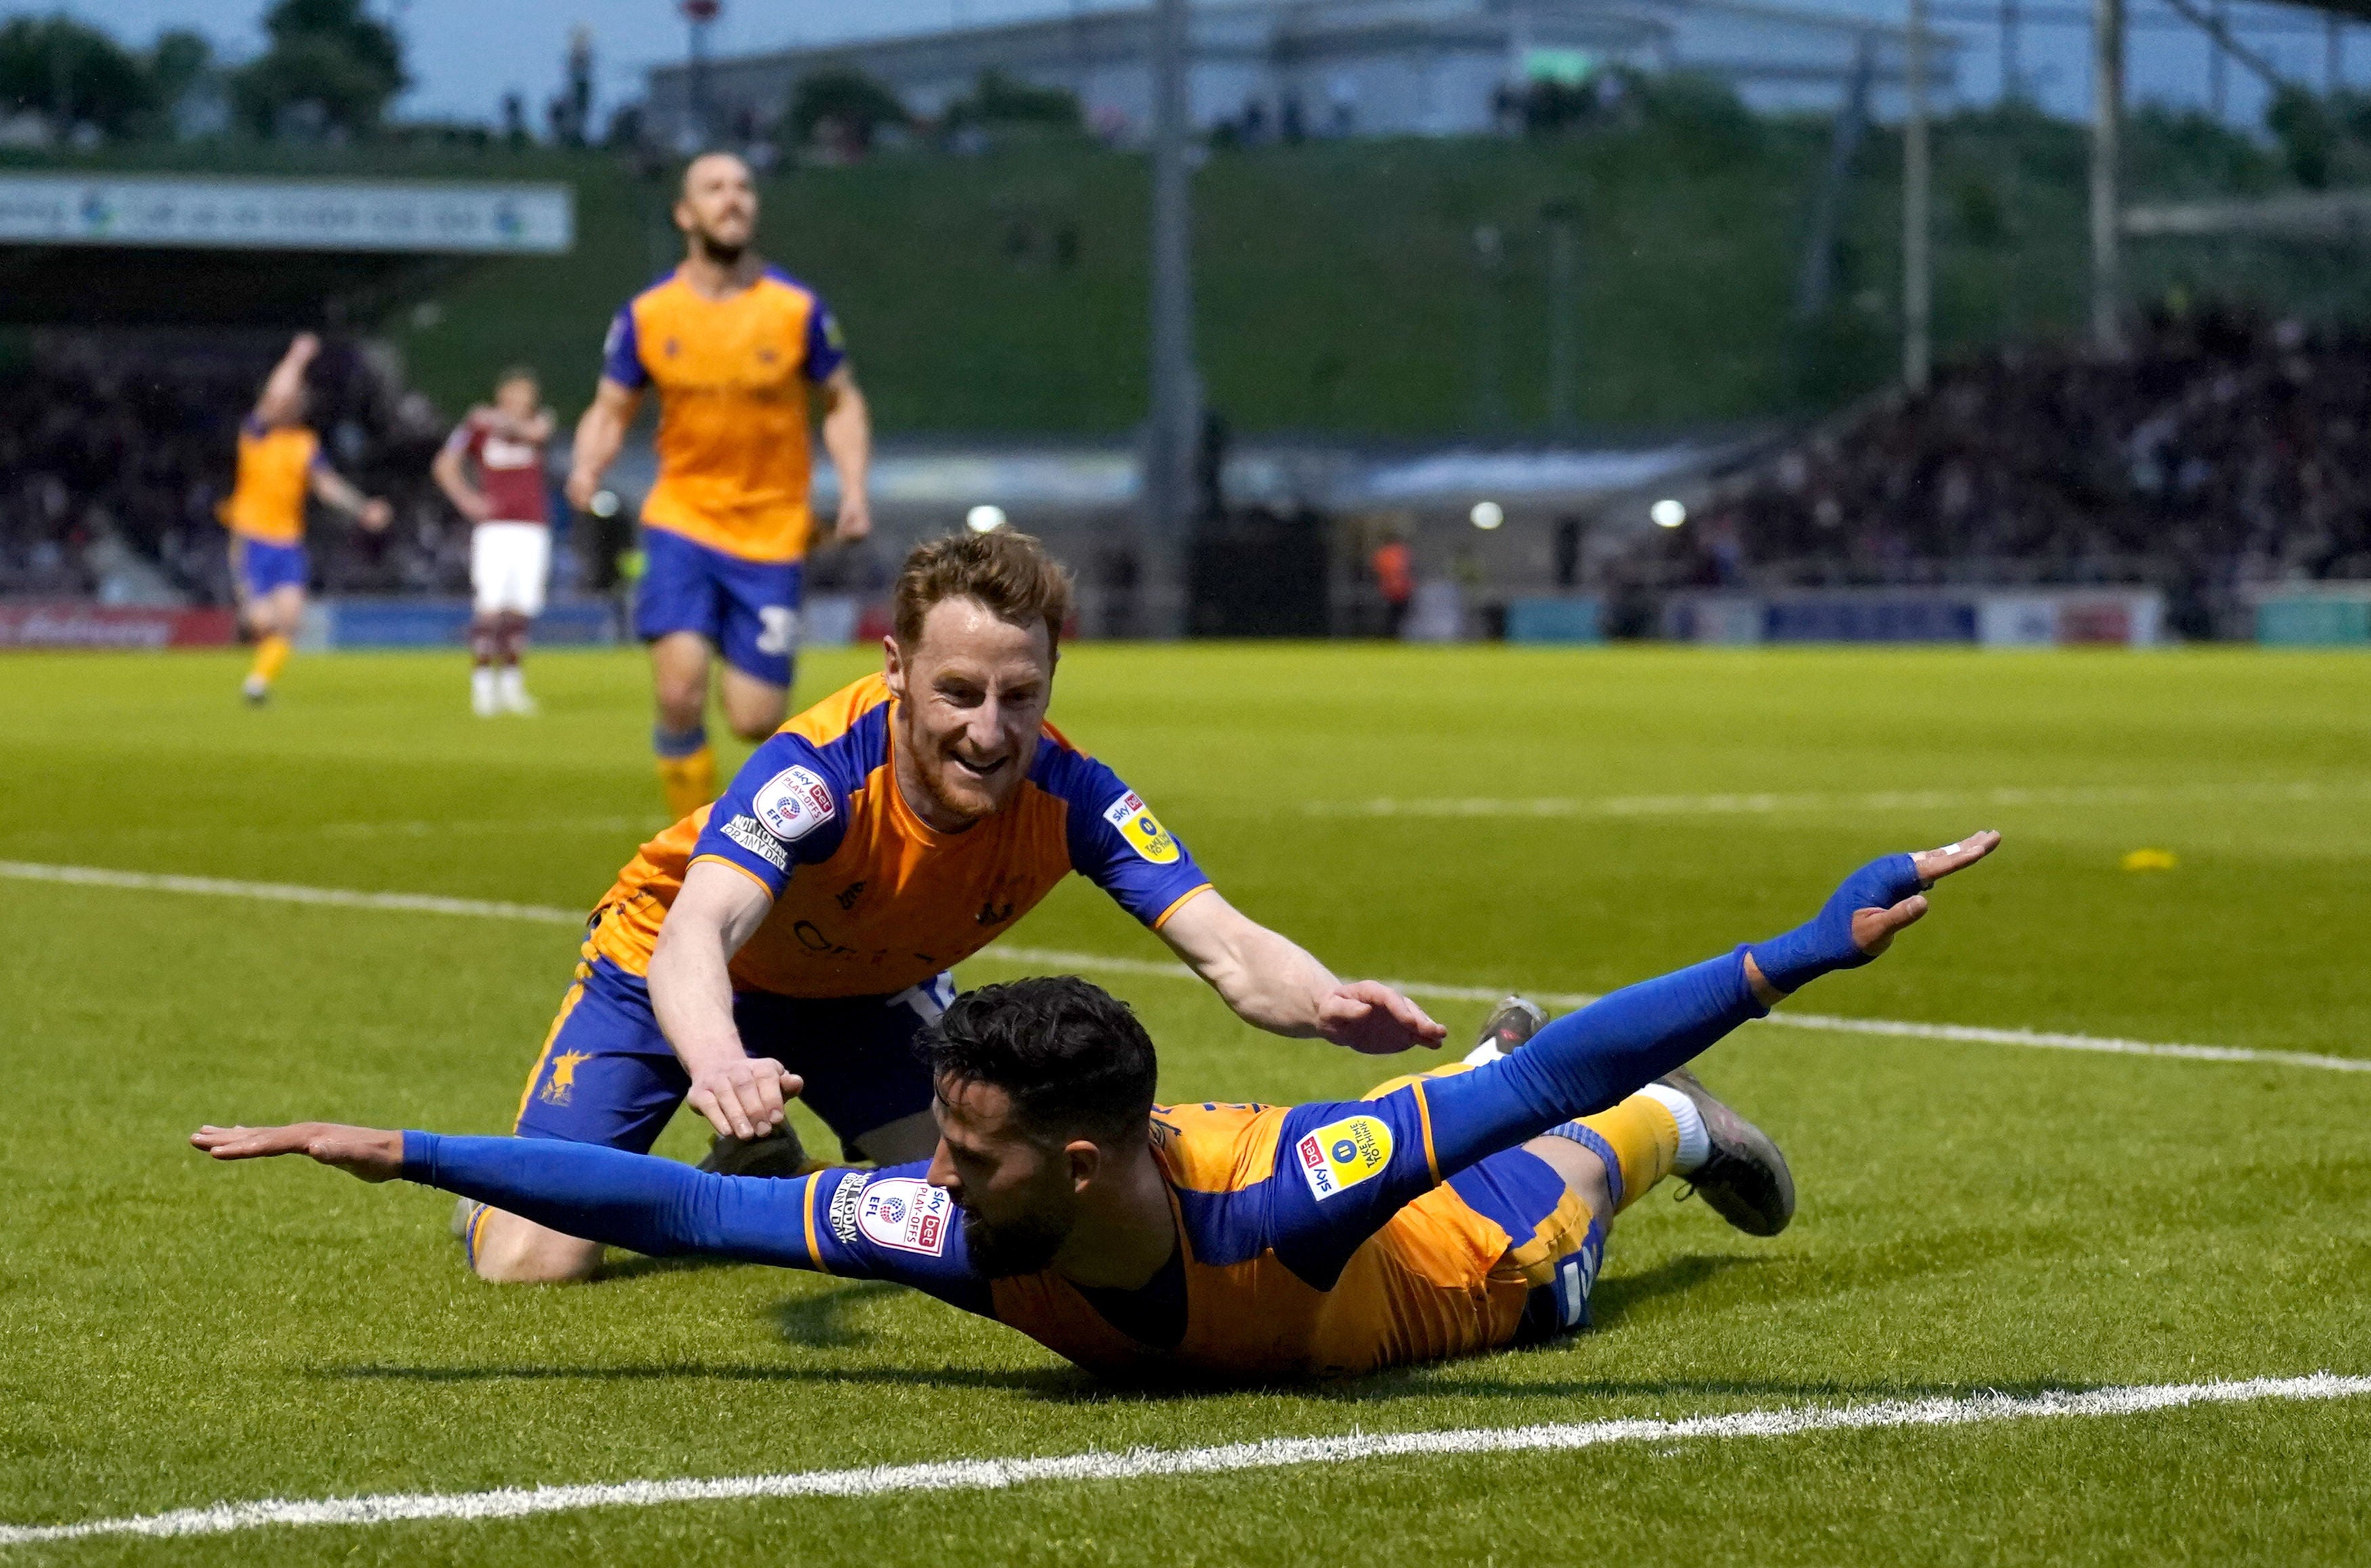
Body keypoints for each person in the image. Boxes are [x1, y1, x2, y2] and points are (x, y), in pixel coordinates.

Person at [194, 833, 1998, 1382]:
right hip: (1283, 1185)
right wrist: (393, 1146)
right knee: (1483, 1096)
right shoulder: (973, 1225)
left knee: (1566, 1158)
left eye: (958, 1149)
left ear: (1069, 1162)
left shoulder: (1283, 1195)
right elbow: (686, 1211)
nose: (918, 1173)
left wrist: (1795, 950)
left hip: (1446, 1268)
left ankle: (1690, 1128)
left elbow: (1553, 1067)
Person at [445, 528, 1446, 1286]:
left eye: (1021, 695)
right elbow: (696, 931)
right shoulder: (815, 774)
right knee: (533, 1260)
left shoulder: (1077, 795)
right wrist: (720, 1061)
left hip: (867, 997)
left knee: (983, 1213)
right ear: (896, 669)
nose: (988, 730)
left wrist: (1323, 1004)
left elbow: (1225, 942)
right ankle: (515, 1188)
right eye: (958, 692)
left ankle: (760, 1173)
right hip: (676, 971)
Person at [564, 150, 874, 817]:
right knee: (678, 693)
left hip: (770, 530)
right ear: (685, 213)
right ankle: (692, 850)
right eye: (714, 188)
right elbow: (611, 406)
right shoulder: (649, 314)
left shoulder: (796, 309)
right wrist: (588, 463)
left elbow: (842, 400)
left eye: (742, 187)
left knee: (754, 717)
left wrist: (851, 487)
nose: (732, 199)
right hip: (683, 519)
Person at [217, 333, 392, 704]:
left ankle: (257, 685)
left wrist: (363, 509)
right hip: (252, 539)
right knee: (262, 622)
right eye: (282, 399)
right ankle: (247, 633)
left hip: (288, 543)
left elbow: (327, 487)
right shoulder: (256, 435)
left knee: (290, 622)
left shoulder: (305, 445)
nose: (286, 402)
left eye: (294, 400)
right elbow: (274, 395)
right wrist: (296, 359)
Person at [433, 368, 557, 717]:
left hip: (532, 528)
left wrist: (495, 419)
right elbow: (445, 464)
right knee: (490, 607)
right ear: (502, 396)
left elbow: (536, 432)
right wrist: (467, 499)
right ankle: (483, 686)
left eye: (526, 398)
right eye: (514, 397)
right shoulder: (477, 429)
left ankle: (512, 686)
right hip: (495, 529)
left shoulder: (537, 422)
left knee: (521, 609)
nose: (521, 405)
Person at [1370, 530, 1412, 639]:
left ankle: (1392, 637)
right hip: (1399, 590)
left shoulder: (1383, 553)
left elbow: (1377, 571)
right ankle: (1393, 637)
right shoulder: (1399, 552)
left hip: (1388, 590)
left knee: (1393, 617)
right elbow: (1405, 570)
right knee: (1397, 617)